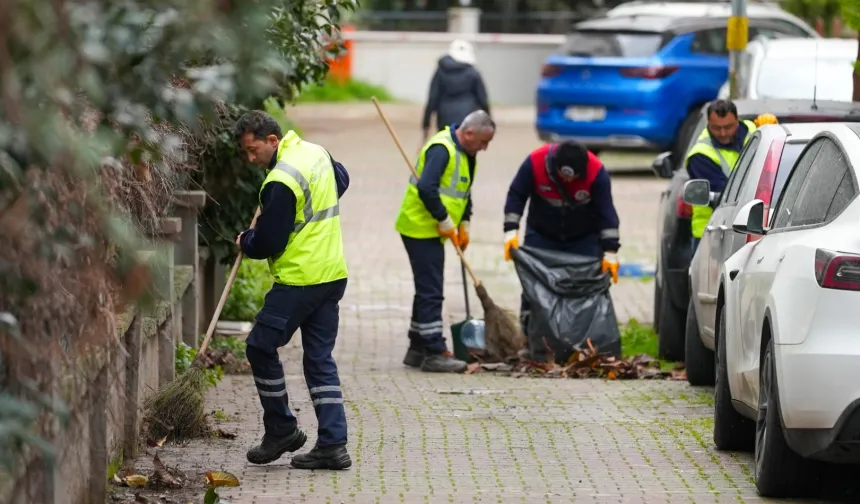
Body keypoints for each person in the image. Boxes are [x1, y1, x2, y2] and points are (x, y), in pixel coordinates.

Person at [233, 110, 352, 470]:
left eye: (254, 150)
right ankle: (333, 445)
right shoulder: (315, 153)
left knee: (259, 346)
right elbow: (341, 180)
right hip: (332, 274)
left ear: (273, 140)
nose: (252, 159)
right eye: (246, 153)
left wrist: (247, 240)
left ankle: (281, 429)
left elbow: (268, 241)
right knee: (318, 359)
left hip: (301, 279)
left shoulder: (281, 179)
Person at [396, 110, 496, 373]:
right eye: (484, 142)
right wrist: (444, 220)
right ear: (469, 133)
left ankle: (416, 348)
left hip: (433, 228)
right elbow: (426, 188)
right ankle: (434, 351)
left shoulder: (467, 154)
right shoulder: (442, 149)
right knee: (432, 291)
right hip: (419, 227)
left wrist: (464, 223)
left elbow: (464, 191)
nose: (484, 148)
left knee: (426, 288)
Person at [502, 140, 621, 344]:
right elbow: (517, 194)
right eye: (566, 176)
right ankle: (530, 336)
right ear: (556, 168)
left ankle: (582, 338)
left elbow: (606, 212)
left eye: (574, 177)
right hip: (541, 235)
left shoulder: (596, 172)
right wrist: (510, 230)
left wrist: (610, 251)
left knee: (583, 288)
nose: (570, 181)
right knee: (535, 287)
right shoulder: (535, 162)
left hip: (583, 238)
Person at [685, 100, 757, 251]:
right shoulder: (701, 154)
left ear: (738, 121)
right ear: (708, 123)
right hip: (711, 233)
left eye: (728, 127)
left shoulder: (755, 133)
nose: (723, 133)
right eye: (717, 128)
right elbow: (725, 198)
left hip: (753, 229)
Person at [421, 39, 490, 142]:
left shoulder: (440, 72)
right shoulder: (473, 73)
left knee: (445, 147)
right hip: (468, 119)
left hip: (444, 118)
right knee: (466, 150)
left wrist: (426, 123)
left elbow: (433, 98)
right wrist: (488, 121)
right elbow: (482, 99)